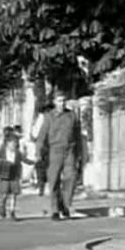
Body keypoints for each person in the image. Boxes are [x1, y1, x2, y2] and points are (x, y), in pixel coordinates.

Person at [36, 89, 79, 221]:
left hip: (69, 150)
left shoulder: (71, 115)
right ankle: (54, 209)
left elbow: (77, 134)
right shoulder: (49, 117)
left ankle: (65, 205)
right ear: (54, 102)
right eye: (59, 101)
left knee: (71, 177)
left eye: (64, 100)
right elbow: (42, 136)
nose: (62, 103)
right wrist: (38, 153)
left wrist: (81, 153)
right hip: (54, 151)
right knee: (54, 181)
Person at [0, 134, 35, 220]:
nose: (14, 145)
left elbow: (25, 160)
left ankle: (12, 211)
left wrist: (34, 162)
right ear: (7, 143)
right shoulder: (2, 152)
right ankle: (2, 206)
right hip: (5, 176)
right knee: (4, 194)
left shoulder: (18, 153)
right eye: (12, 143)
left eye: (15, 143)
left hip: (15, 175)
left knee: (14, 194)